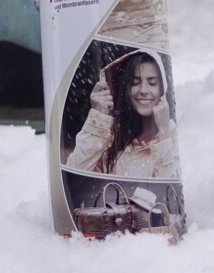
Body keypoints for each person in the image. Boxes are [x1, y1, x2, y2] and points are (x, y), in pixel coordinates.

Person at [66, 49, 181, 178]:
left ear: (163, 88)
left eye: (152, 83)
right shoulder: (111, 132)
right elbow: (74, 174)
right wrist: (97, 118)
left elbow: (171, 193)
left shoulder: (174, 133)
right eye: (135, 83)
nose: (143, 90)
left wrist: (164, 134)